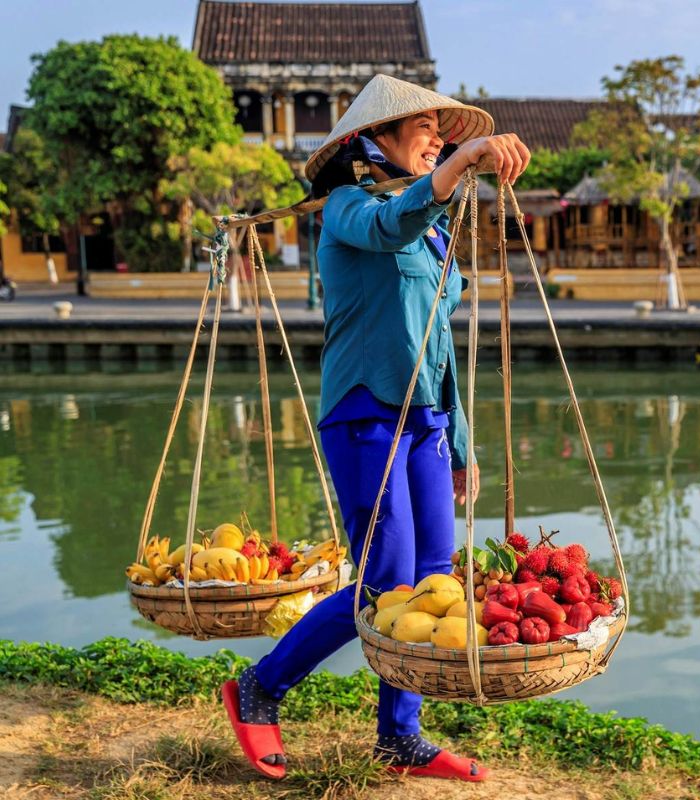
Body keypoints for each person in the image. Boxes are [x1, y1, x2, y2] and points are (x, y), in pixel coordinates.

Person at [220, 75, 530, 784]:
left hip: (424, 422)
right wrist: (462, 164)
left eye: (442, 132)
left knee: (427, 583)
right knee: (380, 584)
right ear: (375, 139)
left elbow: (439, 343)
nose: (438, 139)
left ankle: (401, 738)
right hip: (365, 414)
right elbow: (392, 224)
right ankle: (260, 688)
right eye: (424, 128)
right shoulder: (348, 210)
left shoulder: (434, 231)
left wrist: (459, 445)